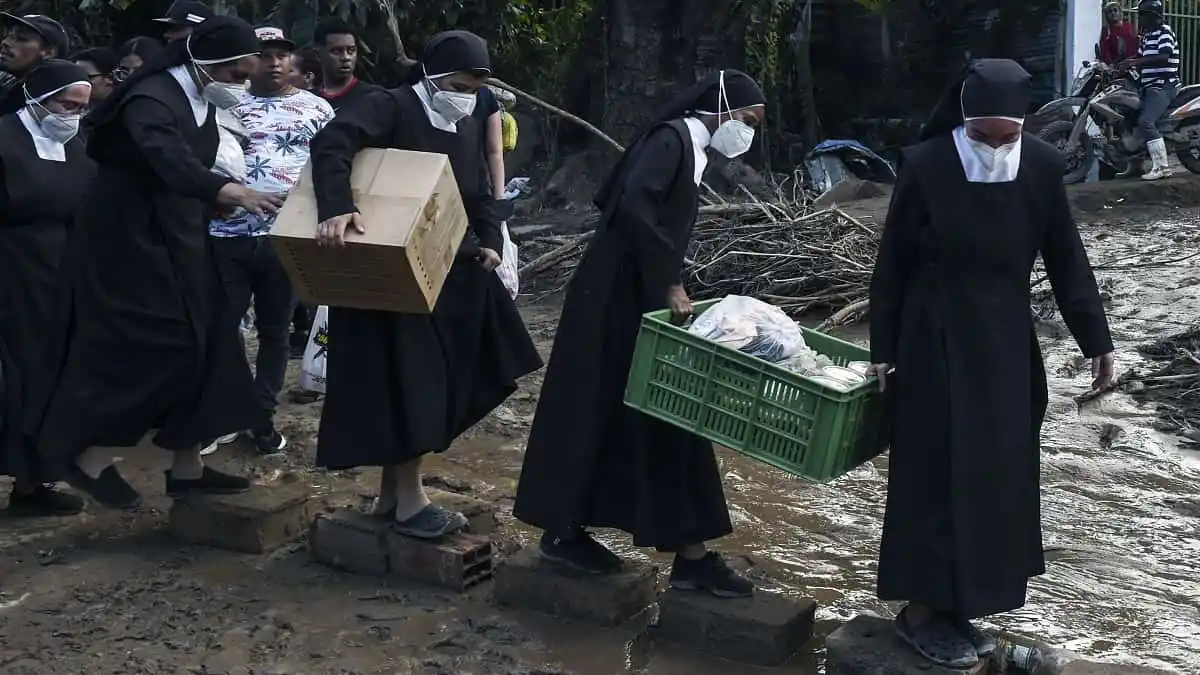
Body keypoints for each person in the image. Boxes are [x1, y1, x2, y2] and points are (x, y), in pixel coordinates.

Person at [866, 59, 1115, 669]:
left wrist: (1097, 342)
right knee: (933, 472)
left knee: (996, 475)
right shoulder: (925, 165)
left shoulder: (1042, 166)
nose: (999, 145)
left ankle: (965, 606)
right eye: (985, 135)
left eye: (1010, 135)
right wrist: (883, 351)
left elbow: (1066, 259)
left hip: (1005, 344)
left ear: (1026, 125)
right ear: (965, 120)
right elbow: (891, 265)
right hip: (933, 340)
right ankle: (922, 609)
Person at [512, 70, 766, 597]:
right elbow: (631, 208)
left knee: (655, 411)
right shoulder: (672, 139)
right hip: (615, 299)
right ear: (719, 108)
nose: (745, 130)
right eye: (744, 119)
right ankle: (574, 533)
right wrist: (670, 280)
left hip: (633, 293)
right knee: (619, 406)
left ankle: (683, 550)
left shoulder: (686, 147)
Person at [24, 16, 282, 509]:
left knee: (213, 342)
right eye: (236, 75)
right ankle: (90, 459)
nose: (242, 86)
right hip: (130, 245)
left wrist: (211, 199)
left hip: (181, 235)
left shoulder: (202, 97)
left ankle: (187, 468)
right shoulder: (152, 98)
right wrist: (221, 188)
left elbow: (184, 168)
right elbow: (164, 155)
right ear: (206, 62)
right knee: (166, 346)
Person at [309, 29, 542, 539]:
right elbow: (330, 145)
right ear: (433, 76)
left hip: (448, 268)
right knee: (404, 379)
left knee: (469, 360)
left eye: (475, 88)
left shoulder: (468, 116)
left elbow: (475, 186)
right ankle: (411, 502)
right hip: (387, 272)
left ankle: (393, 497)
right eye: (457, 85)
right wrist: (337, 207)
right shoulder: (388, 106)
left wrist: (488, 239)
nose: (466, 96)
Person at [208, 26, 334, 456]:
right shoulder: (223, 105)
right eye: (264, 54)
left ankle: (261, 414)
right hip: (224, 234)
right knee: (223, 329)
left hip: (284, 236)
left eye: (281, 54)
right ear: (247, 61)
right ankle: (227, 410)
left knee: (275, 331)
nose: (274, 62)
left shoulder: (316, 109)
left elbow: (332, 166)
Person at [0, 60, 94, 517]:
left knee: (48, 377)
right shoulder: (3, 139)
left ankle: (33, 482)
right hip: (9, 273)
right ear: (36, 98)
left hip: (56, 278)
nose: (71, 114)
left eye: (80, 107)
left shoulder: (75, 143)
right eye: (64, 104)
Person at [1118, 0, 1180, 181]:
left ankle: (1162, 167)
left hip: (1163, 86)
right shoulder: (1147, 35)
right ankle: (1137, 166)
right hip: (1148, 86)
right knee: (1131, 120)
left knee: (1146, 122)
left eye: (1142, 15)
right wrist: (1122, 65)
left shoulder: (1164, 32)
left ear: (1152, 16)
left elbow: (1164, 56)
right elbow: (1139, 56)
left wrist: (1135, 62)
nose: (1139, 19)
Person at [0, 14, 70, 116]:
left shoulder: (52, 104)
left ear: (48, 53)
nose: (5, 42)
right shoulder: (10, 84)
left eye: (21, 39)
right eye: (9, 36)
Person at [313, 18, 379, 112]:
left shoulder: (374, 97)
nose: (346, 57)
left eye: (351, 51)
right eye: (336, 51)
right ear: (318, 55)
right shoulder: (308, 102)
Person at [1098, 1, 1138, 66]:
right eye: (1110, 11)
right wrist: (1111, 65)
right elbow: (1105, 51)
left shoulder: (1129, 27)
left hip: (1133, 64)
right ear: (1106, 16)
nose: (1113, 13)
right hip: (1116, 67)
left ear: (1120, 12)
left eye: (1115, 10)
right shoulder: (1106, 31)